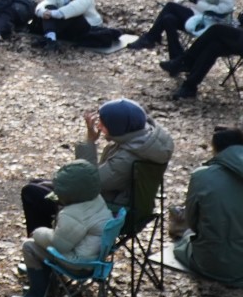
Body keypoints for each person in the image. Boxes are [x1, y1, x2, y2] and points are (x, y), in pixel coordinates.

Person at [19, 99, 173, 236]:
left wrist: (89, 141)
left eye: (103, 124)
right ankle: (52, 242)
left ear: (118, 128)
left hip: (114, 212)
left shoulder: (128, 157)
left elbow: (89, 184)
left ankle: (44, 252)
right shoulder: (142, 141)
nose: (98, 126)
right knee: (36, 183)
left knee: (32, 193)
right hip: (126, 204)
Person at [170, 128, 243, 287]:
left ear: (216, 149)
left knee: (185, 238)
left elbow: (193, 222)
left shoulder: (201, 176)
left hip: (212, 262)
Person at [9, 160, 112, 297]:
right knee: (43, 246)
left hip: (78, 263)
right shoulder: (97, 200)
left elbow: (59, 244)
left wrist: (38, 233)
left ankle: (39, 293)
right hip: (95, 257)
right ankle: (46, 286)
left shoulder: (73, 214)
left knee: (30, 247)